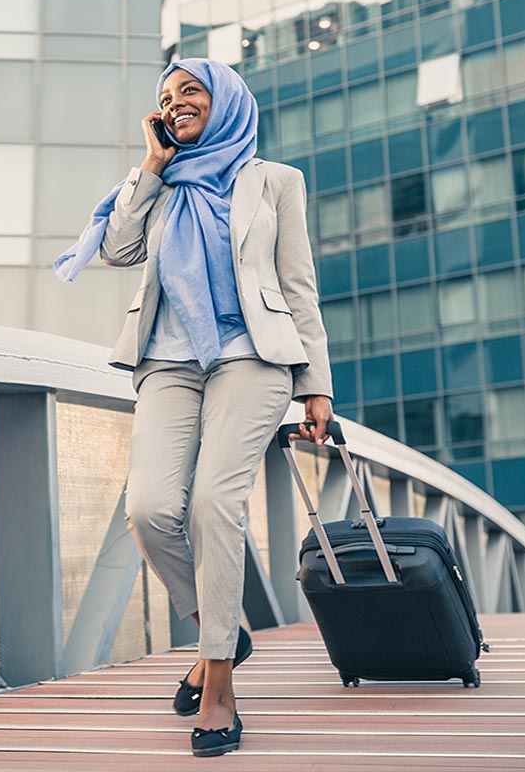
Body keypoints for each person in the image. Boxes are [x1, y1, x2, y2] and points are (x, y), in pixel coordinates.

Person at [54, 57, 333, 757]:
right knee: (149, 510)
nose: (177, 103)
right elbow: (116, 249)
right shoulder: (160, 180)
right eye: (166, 98)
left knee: (214, 502)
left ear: (227, 100)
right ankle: (221, 630)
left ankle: (217, 682)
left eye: (191, 91)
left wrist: (316, 385)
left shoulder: (275, 182)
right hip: (168, 358)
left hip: (252, 354)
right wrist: (151, 165)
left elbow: (298, 285)